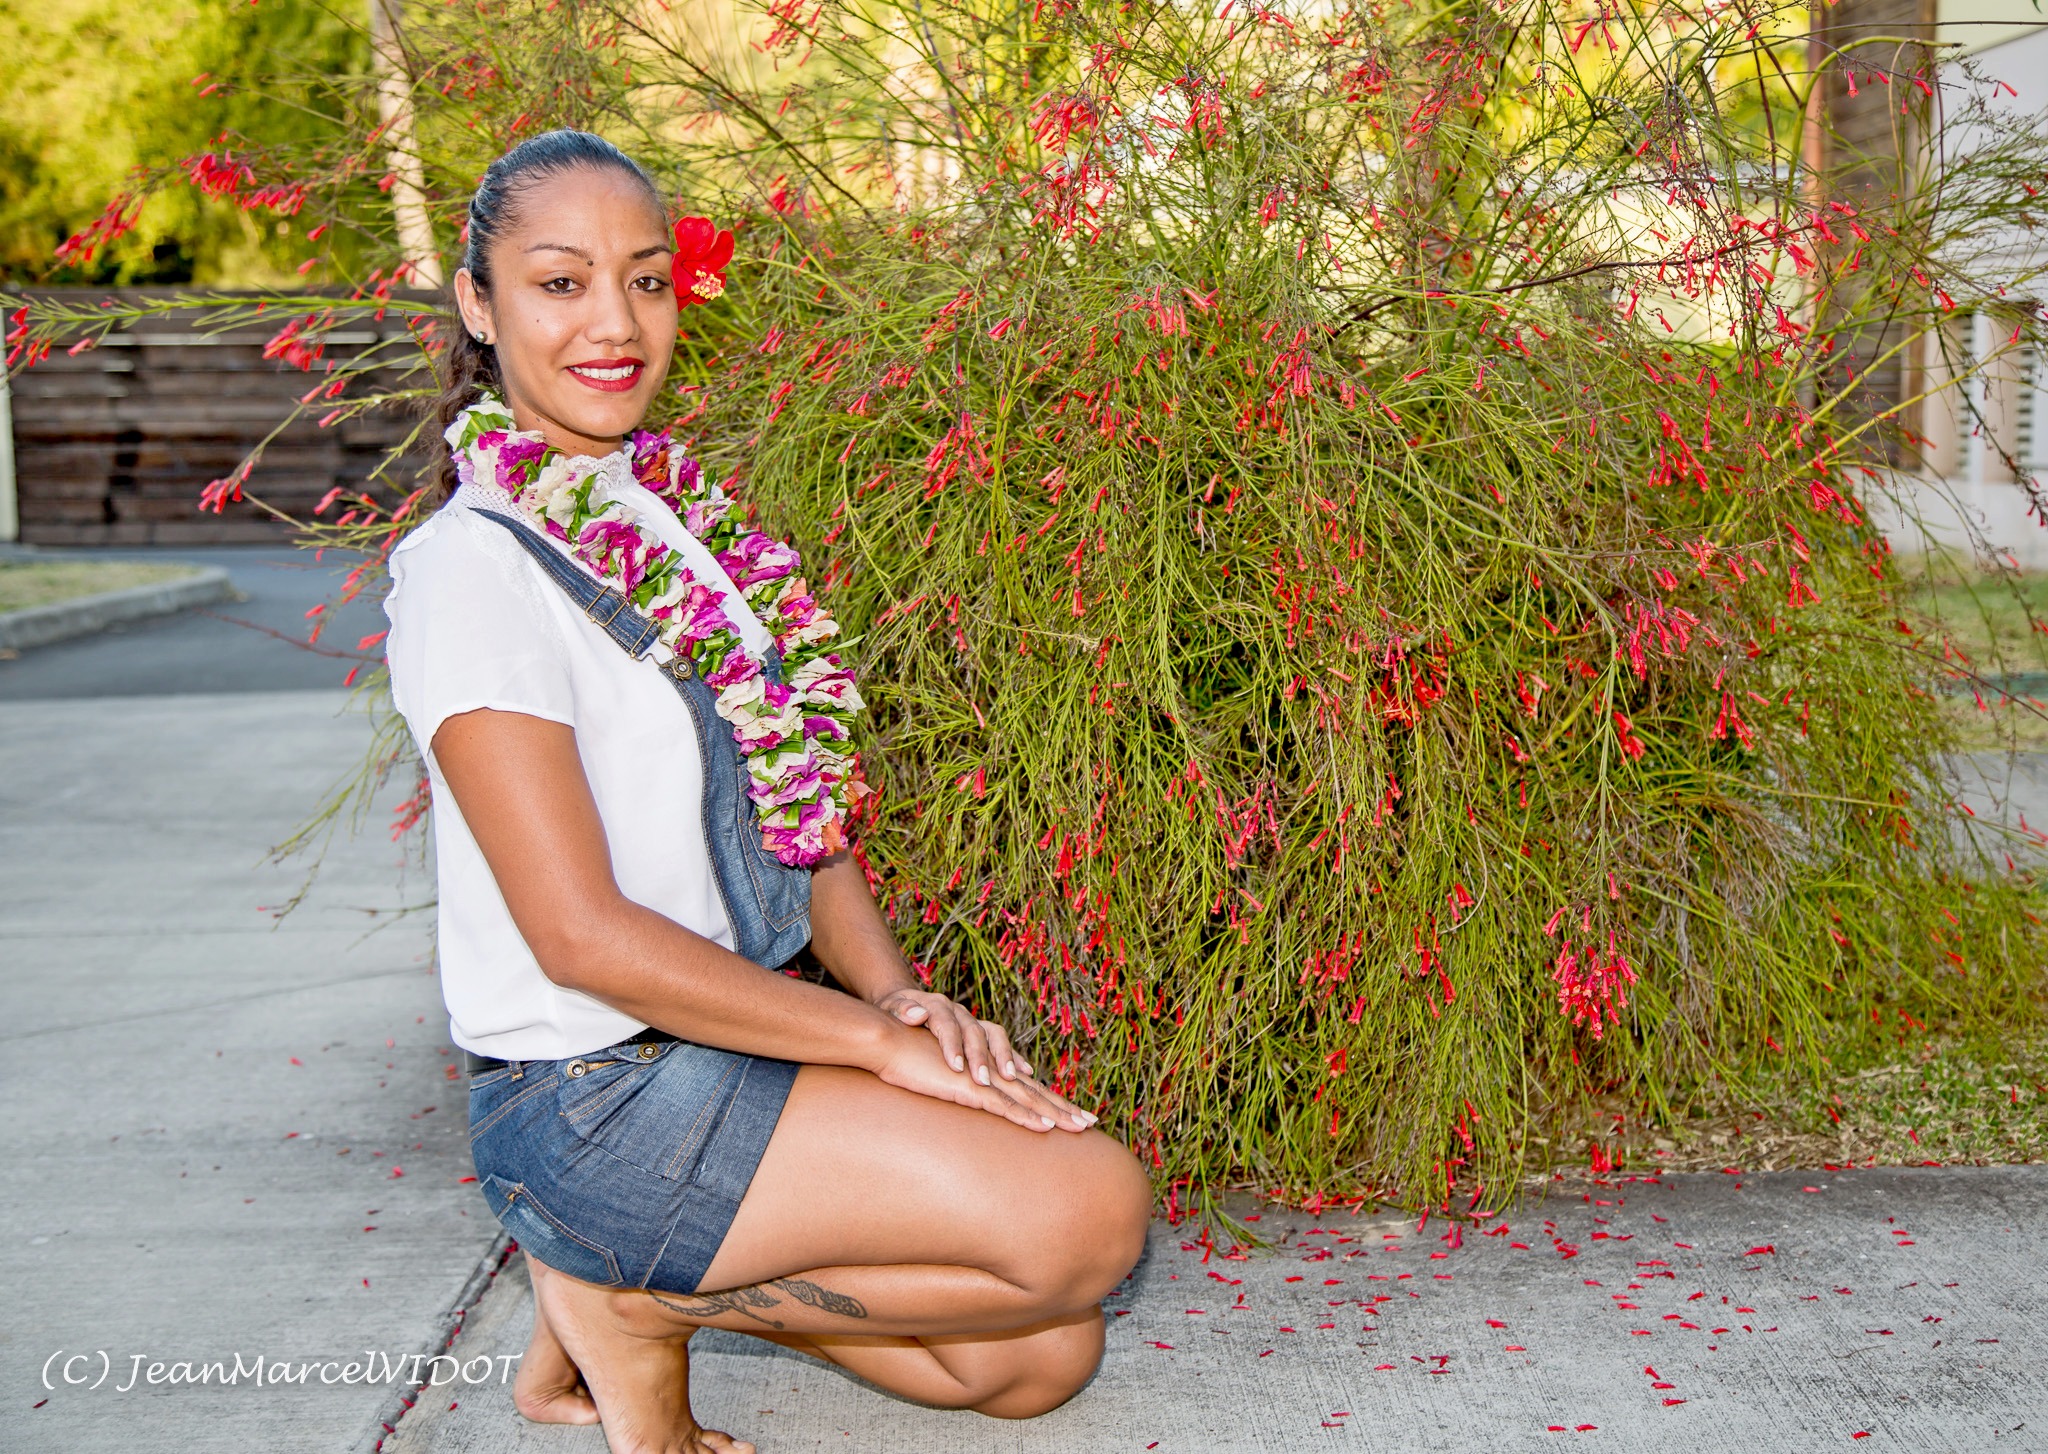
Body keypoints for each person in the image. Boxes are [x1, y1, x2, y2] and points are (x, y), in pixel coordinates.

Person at [381, 128, 1152, 1454]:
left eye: (647, 279)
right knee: (1087, 1216)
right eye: (561, 283)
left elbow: (792, 800)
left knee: (1041, 1351)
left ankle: (636, 1297)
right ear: (479, 303)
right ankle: (627, 1293)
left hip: (736, 1037)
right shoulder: (472, 572)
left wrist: (894, 995)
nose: (615, 323)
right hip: (593, 1095)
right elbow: (579, 937)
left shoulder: (667, 516)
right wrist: (872, 1047)